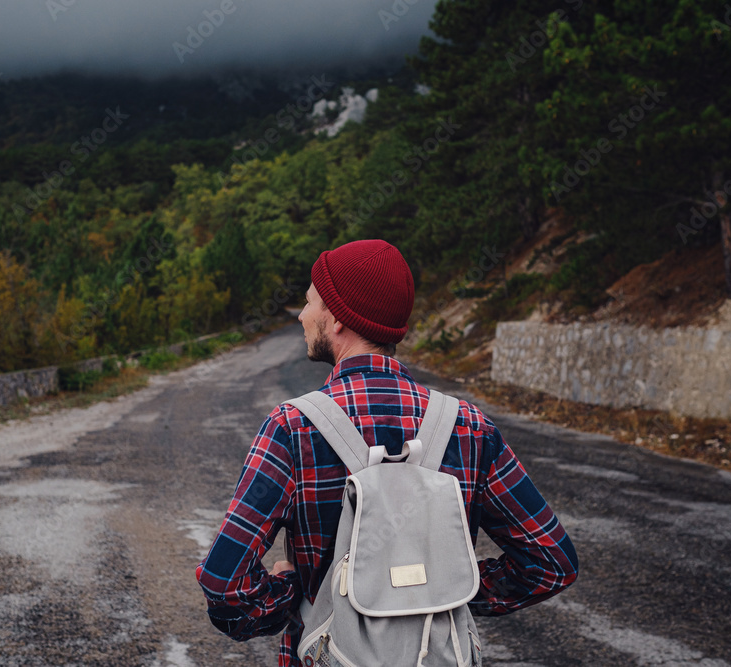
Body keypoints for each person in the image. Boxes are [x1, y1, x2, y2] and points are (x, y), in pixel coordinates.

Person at [195, 239, 578, 666]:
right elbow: (552, 563)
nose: (303, 316)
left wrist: (288, 596)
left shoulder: (292, 427)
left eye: (309, 303)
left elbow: (224, 584)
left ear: (337, 318)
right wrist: (447, 590)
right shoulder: (469, 427)